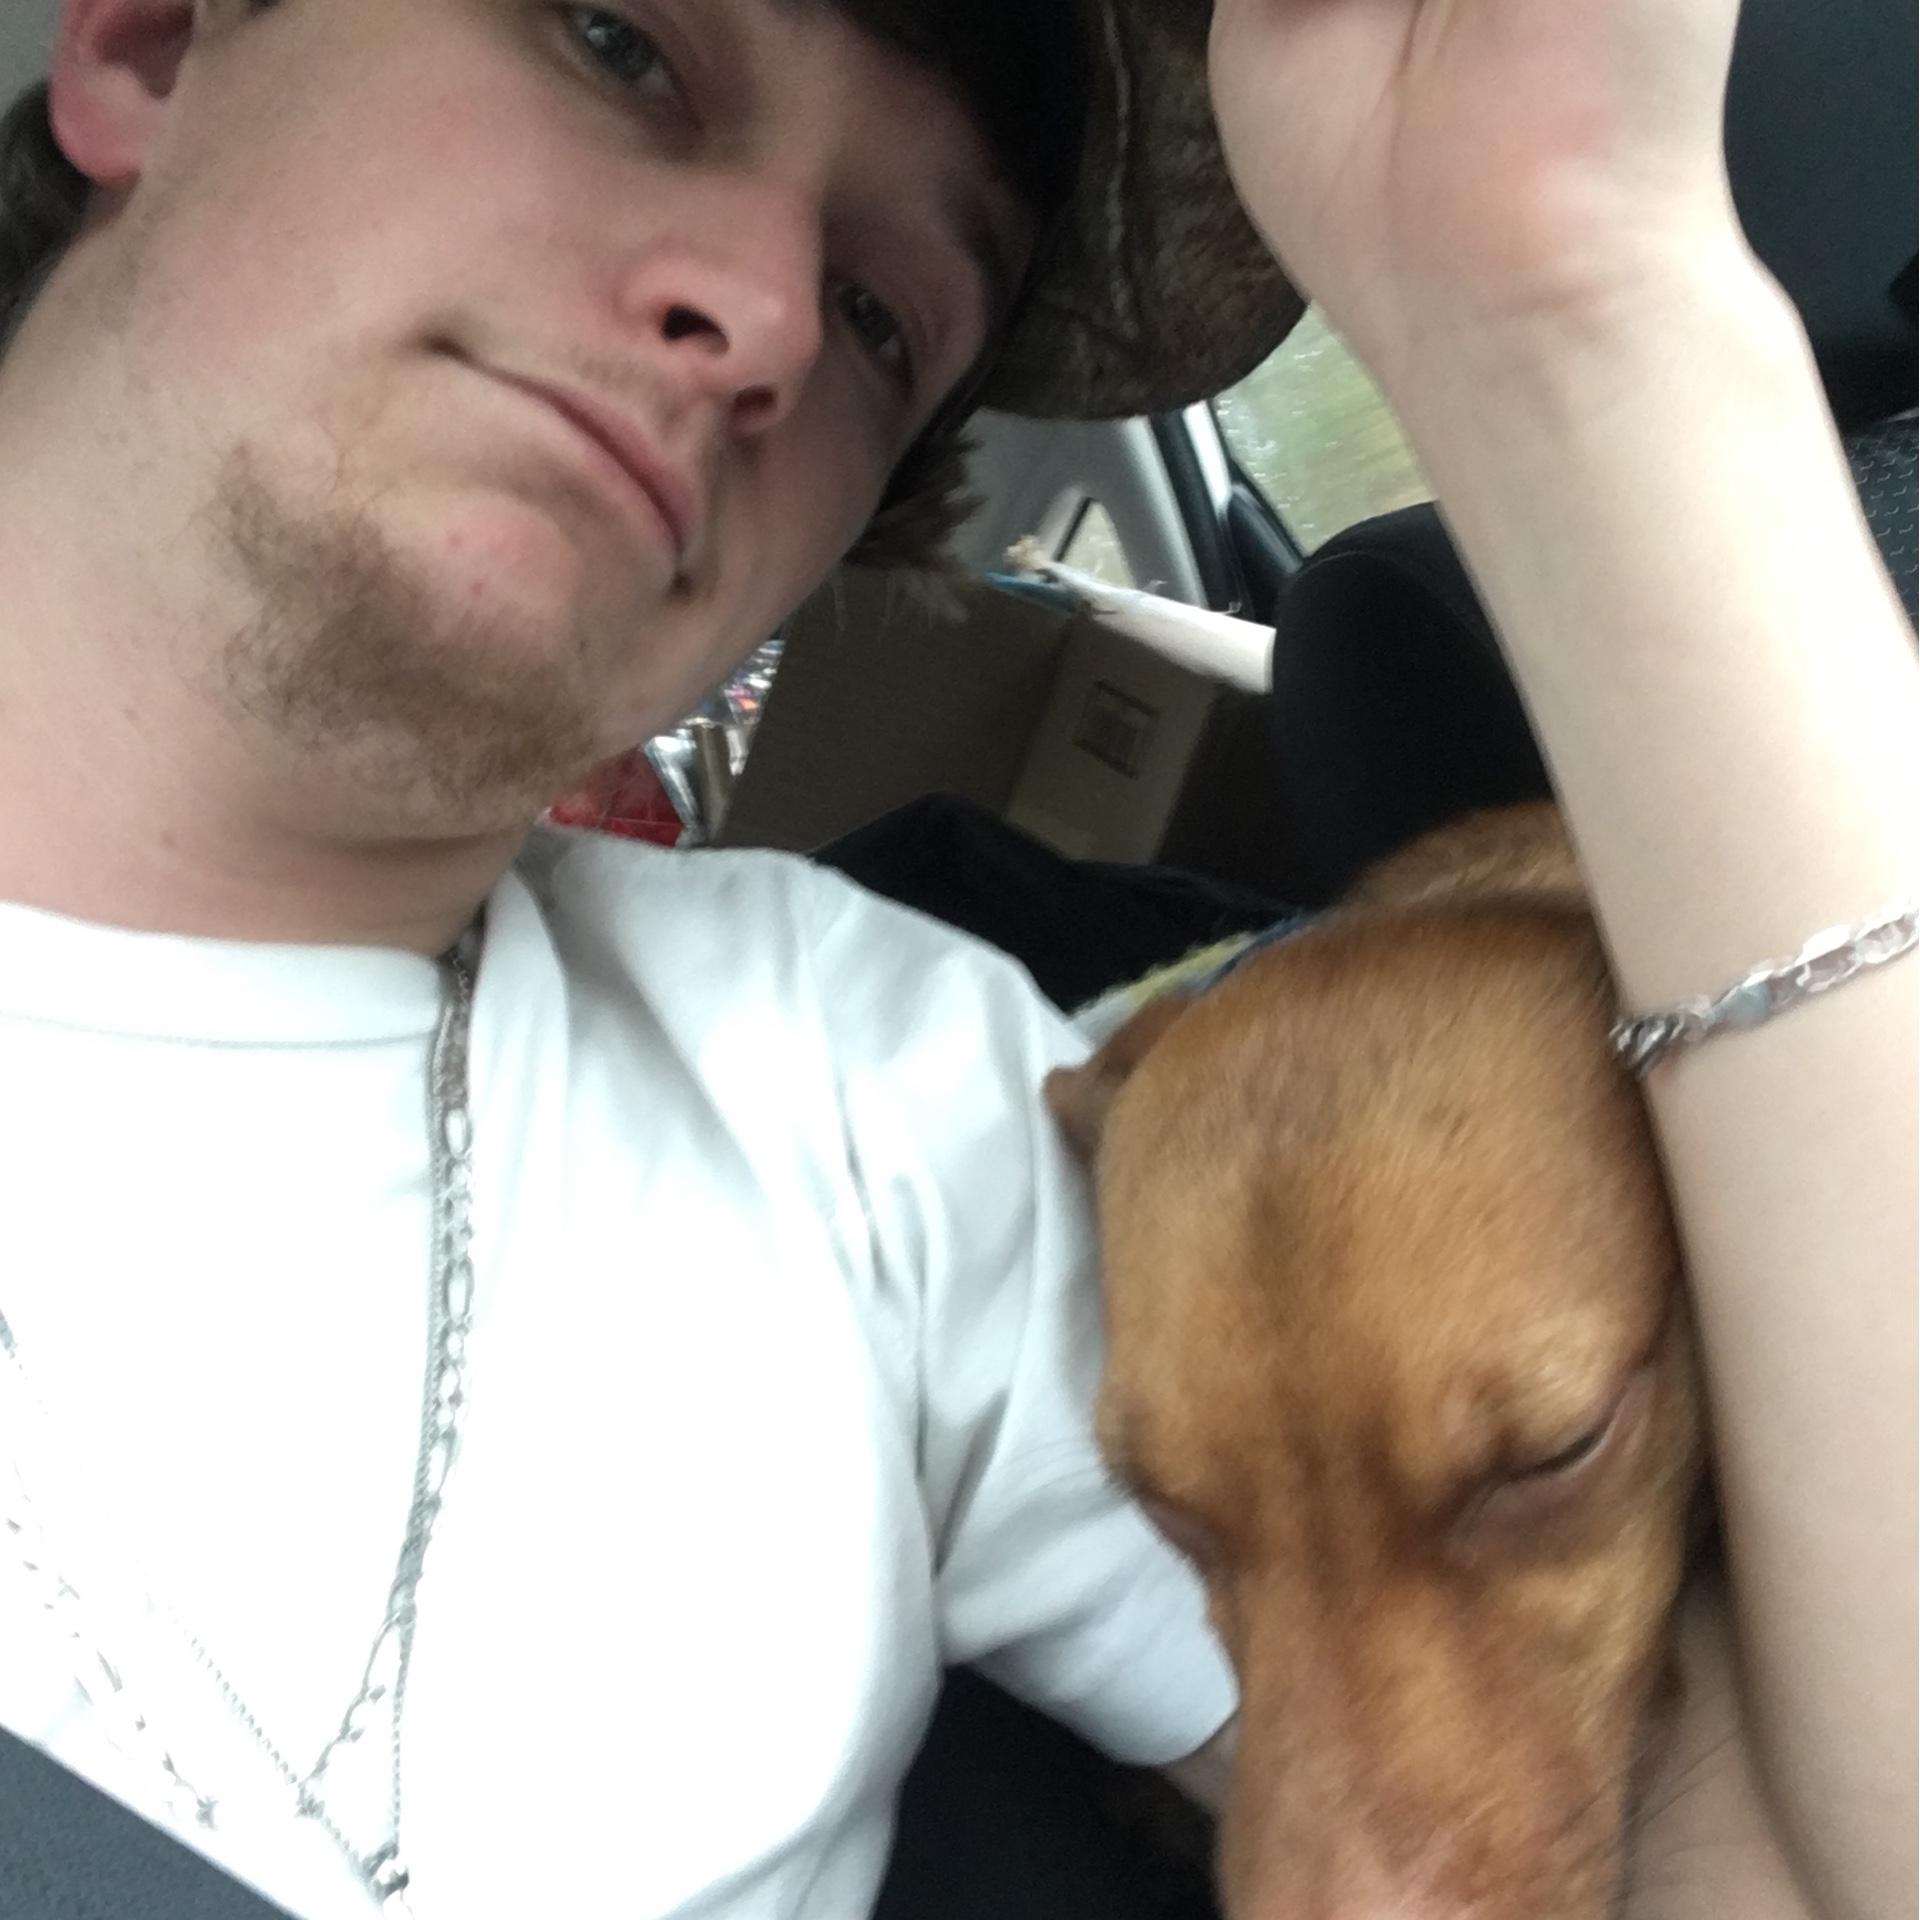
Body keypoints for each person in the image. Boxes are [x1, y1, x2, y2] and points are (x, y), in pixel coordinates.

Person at [0, 0, 1909, 1917]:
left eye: (880, 316)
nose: (767, 315)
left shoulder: (897, 1100)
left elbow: (1820, 1866)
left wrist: (1588, 300)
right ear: (151, 42)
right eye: (621, 46)